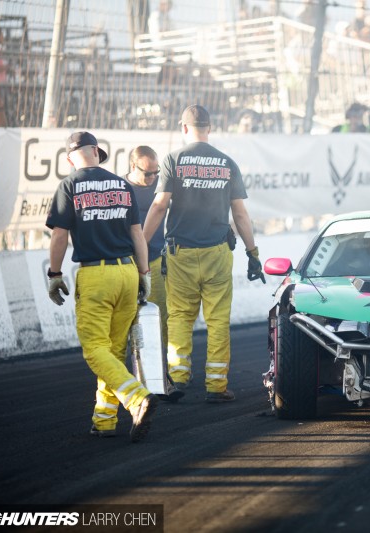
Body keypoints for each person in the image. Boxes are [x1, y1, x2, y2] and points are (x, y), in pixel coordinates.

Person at [142, 105, 265, 403]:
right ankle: (216, 385)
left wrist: (141, 244)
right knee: (218, 319)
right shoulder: (227, 163)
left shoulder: (173, 160)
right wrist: (253, 252)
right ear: (210, 128)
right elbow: (241, 215)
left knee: (180, 316)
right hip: (217, 254)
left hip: (180, 253)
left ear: (184, 128)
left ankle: (179, 377)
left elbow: (159, 206)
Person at [45, 131, 158, 443]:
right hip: (127, 272)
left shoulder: (69, 185)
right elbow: (137, 233)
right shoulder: (121, 184)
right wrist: (144, 273)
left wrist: (54, 274)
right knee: (113, 351)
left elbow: (58, 236)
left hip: (96, 276)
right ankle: (105, 419)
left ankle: (136, 398)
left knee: (95, 350)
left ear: (70, 159)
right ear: (96, 152)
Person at [124, 145, 175, 400]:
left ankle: (160, 376)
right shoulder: (121, 190)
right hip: (125, 265)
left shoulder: (161, 188)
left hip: (155, 263)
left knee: (159, 322)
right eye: (148, 173)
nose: (153, 177)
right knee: (126, 323)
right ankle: (130, 379)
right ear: (133, 166)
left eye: (156, 172)